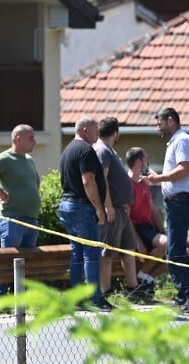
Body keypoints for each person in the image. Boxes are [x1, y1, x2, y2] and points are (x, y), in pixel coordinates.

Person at [145, 107, 189, 311]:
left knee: (175, 251)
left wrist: (159, 178)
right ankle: (186, 295)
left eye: (159, 123)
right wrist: (158, 178)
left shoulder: (181, 140)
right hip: (177, 203)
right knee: (174, 250)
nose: (157, 128)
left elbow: (183, 169)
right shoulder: (176, 141)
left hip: (181, 202)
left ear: (171, 121)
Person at [0, 124, 42, 297]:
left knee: (26, 264)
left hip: (31, 220)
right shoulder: (4, 158)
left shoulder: (28, 159)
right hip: (12, 219)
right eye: (31, 138)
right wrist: (1, 194)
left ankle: (20, 301)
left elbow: (36, 180)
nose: (35, 141)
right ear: (18, 139)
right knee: (7, 262)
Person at [58, 116, 113, 311]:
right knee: (91, 253)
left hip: (67, 206)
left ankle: (77, 298)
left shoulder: (68, 150)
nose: (98, 133)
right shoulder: (86, 150)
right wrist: (99, 207)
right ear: (85, 130)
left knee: (77, 252)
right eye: (95, 129)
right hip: (82, 207)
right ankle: (94, 298)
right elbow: (88, 181)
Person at [93, 117, 143, 301]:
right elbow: (102, 180)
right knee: (107, 253)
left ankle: (133, 290)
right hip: (112, 209)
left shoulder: (110, 150)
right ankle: (106, 292)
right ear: (115, 133)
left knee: (128, 249)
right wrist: (107, 206)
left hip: (122, 210)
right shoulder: (102, 150)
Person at [126, 147, 166, 286]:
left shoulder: (144, 182)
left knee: (182, 252)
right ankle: (143, 275)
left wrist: (163, 231)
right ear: (138, 163)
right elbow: (127, 217)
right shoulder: (127, 184)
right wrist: (138, 242)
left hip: (148, 228)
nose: (148, 164)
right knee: (167, 245)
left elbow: (153, 209)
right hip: (137, 228)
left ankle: (146, 278)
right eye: (146, 160)